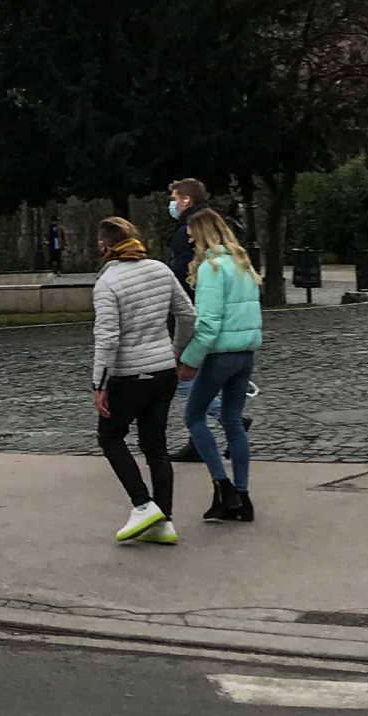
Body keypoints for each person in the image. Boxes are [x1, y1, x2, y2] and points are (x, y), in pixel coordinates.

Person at [90, 216, 196, 545]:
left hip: (129, 375)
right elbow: (188, 314)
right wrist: (179, 350)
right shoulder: (161, 270)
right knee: (156, 448)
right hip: (163, 371)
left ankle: (142, 504)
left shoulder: (108, 283)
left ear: (104, 245)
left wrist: (99, 384)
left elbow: (107, 338)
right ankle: (164, 520)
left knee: (110, 437)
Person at [177, 209, 264, 523]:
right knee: (232, 422)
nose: (187, 240)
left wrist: (189, 361)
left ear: (202, 235)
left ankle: (221, 484)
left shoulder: (211, 269)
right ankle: (242, 495)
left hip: (219, 355)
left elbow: (208, 324)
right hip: (245, 353)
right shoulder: (243, 265)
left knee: (194, 416)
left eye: (191, 234)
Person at [165, 177, 208, 285]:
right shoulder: (211, 221)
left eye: (174, 199)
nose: (172, 204)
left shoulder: (186, 230)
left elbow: (182, 266)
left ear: (186, 200)